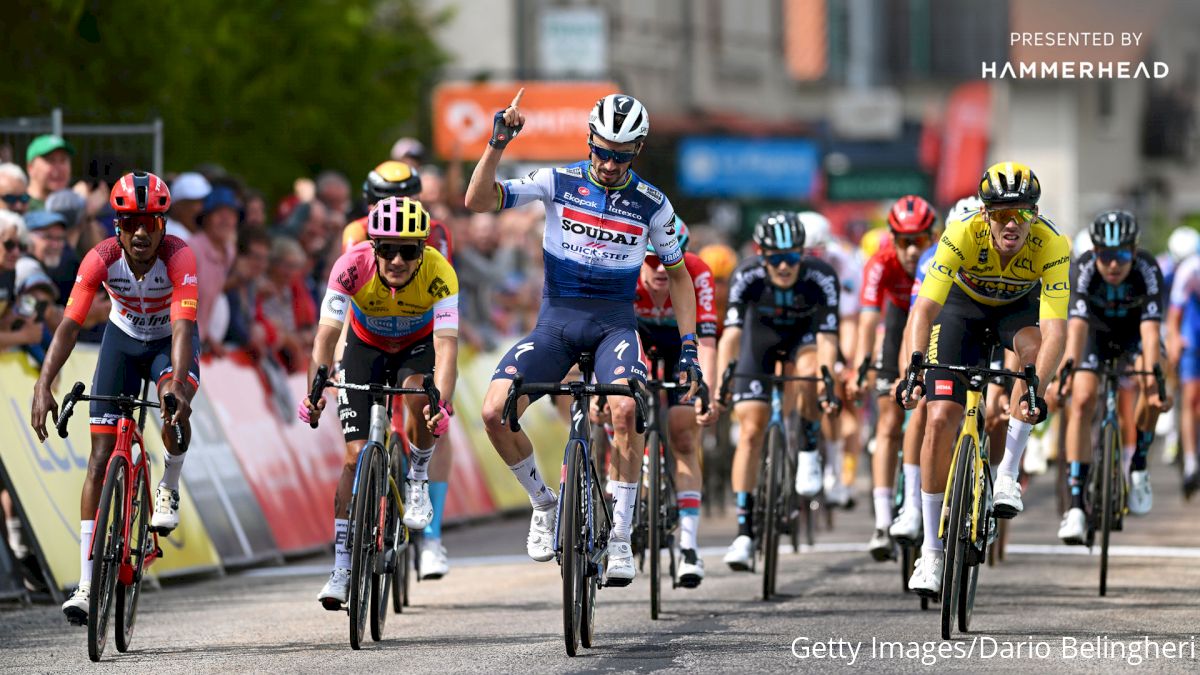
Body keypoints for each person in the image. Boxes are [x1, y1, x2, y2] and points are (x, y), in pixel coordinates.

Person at [466, 90, 702, 586]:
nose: (610, 162)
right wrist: (497, 144)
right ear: (589, 139)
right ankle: (543, 503)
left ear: (636, 151)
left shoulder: (652, 204)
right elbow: (478, 201)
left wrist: (689, 349)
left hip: (615, 326)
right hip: (556, 326)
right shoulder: (558, 180)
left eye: (622, 154)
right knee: (493, 412)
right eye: (602, 149)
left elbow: (680, 277)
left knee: (624, 410)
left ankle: (619, 535)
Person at [29, 171, 198, 623]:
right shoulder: (100, 259)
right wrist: (44, 384)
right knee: (100, 457)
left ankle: (168, 487)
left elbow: (183, 326)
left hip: (168, 343)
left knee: (171, 405)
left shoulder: (180, 257)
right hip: (121, 341)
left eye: (151, 223)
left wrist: (177, 383)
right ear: (116, 227)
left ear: (163, 225)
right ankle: (87, 582)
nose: (141, 232)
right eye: (130, 223)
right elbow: (69, 324)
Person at [899, 162, 1070, 595]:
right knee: (938, 419)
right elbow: (923, 310)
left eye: (1023, 213)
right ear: (985, 213)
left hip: (1017, 311)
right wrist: (915, 367)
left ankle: (1008, 472)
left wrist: (1038, 387)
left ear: (1035, 213)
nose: (1012, 223)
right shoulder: (960, 232)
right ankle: (931, 553)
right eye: (1001, 214)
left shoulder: (1052, 244)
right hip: (963, 309)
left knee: (1031, 361)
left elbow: (1056, 333)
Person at [301, 196, 459, 609]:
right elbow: (324, 338)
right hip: (364, 348)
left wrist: (440, 401)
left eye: (408, 251)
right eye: (387, 249)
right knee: (353, 459)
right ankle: (341, 568)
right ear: (373, 248)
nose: (397, 260)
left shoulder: (441, 274)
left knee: (418, 397)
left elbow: (446, 350)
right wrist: (314, 392)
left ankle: (418, 476)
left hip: (416, 350)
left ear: (422, 250)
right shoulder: (350, 266)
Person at [341, 160, 455, 578]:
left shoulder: (436, 233)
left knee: (431, 418)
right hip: (368, 329)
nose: (394, 209)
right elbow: (347, 297)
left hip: (421, 328)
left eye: (404, 198)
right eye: (384, 201)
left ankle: (433, 539)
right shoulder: (355, 234)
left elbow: (441, 297)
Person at [715, 212, 842, 570]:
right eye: (775, 258)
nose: (784, 266)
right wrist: (723, 382)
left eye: (792, 257)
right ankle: (743, 532)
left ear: (804, 253)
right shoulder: (747, 274)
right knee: (751, 429)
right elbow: (733, 335)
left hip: (804, 339)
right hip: (761, 340)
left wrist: (827, 385)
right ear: (761, 253)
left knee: (808, 374)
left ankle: (808, 451)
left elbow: (828, 340)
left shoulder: (821, 276)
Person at [1048, 211, 1167, 543]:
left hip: (1134, 335)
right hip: (1094, 335)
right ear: (1096, 252)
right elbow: (1076, 328)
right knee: (1083, 398)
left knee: (1150, 385)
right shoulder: (1084, 268)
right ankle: (1075, 507)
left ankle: (1139, 465)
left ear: (1135, 250)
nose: (1113, 265)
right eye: (1106, 256)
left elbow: (1150, 330)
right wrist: (1067, 372)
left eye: (1122, 255)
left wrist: (1155, 378)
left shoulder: (1147, 269)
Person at [845, 195, 937, 561]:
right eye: (904, 241)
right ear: (891, 239)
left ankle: (923, 498)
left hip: (931, 321)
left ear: (933, 237)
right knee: (887, 420)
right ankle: (883, 522)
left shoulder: (939, 257)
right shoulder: (880, 261)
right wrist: (861, 365)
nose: (913, 250)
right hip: (897, 323)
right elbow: (868, 319)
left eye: (920, 240)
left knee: (930, 408)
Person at [628, 218, 717, 586]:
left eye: (670, 258)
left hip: (682, 343)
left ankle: (689, 546)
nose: (661, 267)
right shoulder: (628, 270)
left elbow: (708, 340)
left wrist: (705, 389)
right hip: (638, 339)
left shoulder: (697, 273)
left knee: (683, 433)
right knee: (625, 411)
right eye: (652, 259)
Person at [24, 135, 74, 212]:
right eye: (51, 160)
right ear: (31, 168)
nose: (59, 168)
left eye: (63, 160)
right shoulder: (19, 206)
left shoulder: (73, 205)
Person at [164, 172, 211, 241]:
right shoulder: (173, 237)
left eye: (203, 201)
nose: (201, 208)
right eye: (194, 202)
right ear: (178, 206)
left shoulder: (191, 233)